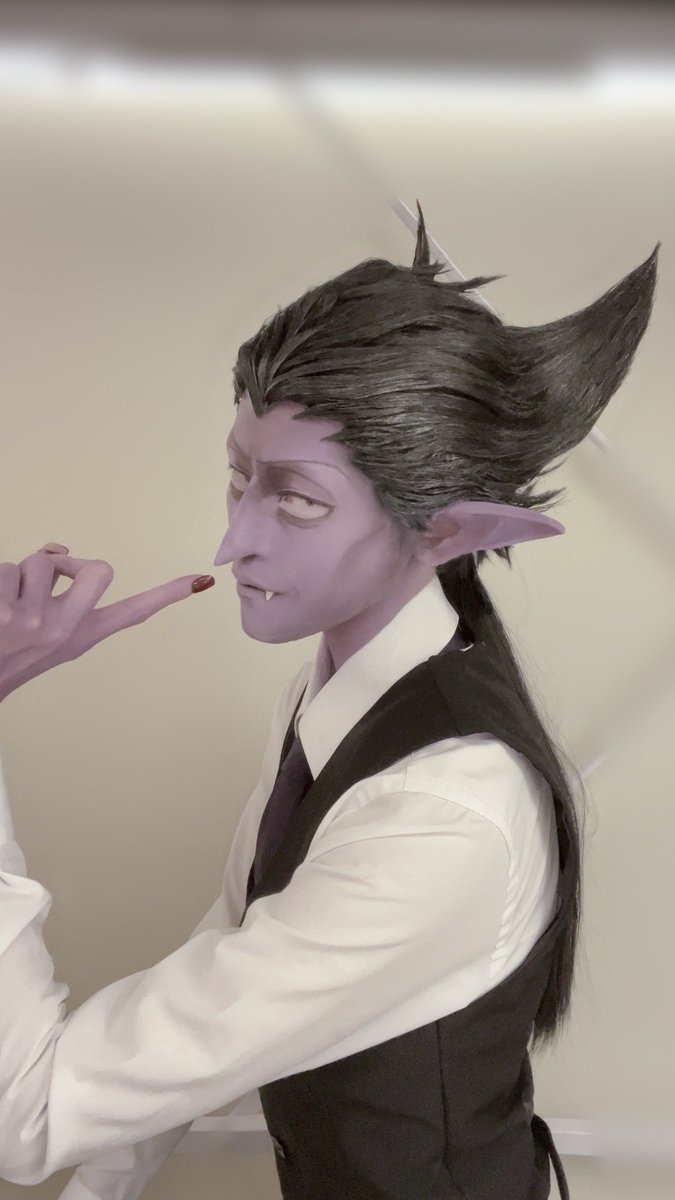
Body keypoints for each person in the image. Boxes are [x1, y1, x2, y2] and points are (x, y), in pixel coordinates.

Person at [0, 205, 659, 1199]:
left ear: (446, 531)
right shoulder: (338, 700)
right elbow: (227, 954)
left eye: (297, 499)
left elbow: (29, 1115)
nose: (233, 543)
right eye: (238, 478)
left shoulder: (439, 812)